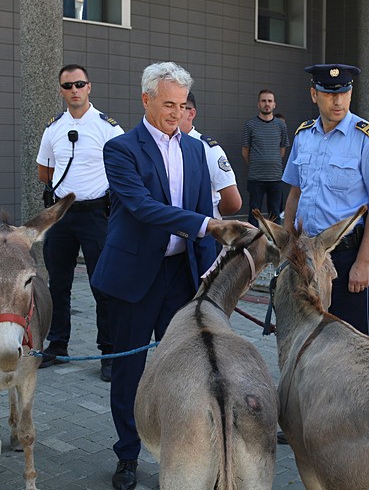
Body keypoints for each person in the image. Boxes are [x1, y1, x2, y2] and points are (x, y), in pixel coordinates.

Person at [90, 62, 254, 490]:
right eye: (168, 104)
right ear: (145, 99)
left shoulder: (197, 150)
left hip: (182, 278)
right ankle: (127, 455)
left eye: (182, 105)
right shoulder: (121, 149)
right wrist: (211, 225)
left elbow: (202, 209)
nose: (176, 113)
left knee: (186, 369)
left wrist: (209, 275)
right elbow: (144, 209)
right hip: (134, 278)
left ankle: (184, 449)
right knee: (130, 370)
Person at [283, 63, 369, 335]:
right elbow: (295, 193)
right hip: (305, 254)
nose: (338, 100)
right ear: (314, 95)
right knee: (304, 334)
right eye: (330, 94)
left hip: (344, 257)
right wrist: (287, 245)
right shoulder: (303, 135)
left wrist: (364, 263)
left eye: (344, 93)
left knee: (348, 340)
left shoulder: (367, 137)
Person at [36, 64, 124, 382]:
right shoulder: (54, 128)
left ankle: (109, 353)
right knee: (57, 285)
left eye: (79, 84)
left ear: (90, 87)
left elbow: (125, 170)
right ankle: (57, 346)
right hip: (61, 215)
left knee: (102, 285)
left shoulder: (107, 128)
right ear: (61, 91)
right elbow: (44, 171)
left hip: (96, 216)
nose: (74, 90)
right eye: (67, 85)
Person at [179, 91, 242, 220]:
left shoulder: (207, 148)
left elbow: (233, 202)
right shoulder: (164, 146)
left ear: (191, 113)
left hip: (204, 230)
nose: (172, 113)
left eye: (180, 107)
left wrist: (211, 214)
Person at [242, 89, 289, 227]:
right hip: (256, 178)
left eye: (269, 101)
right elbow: (245, 151)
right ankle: (253, 243)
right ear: (258, 104)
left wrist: (271, 162)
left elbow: (282, 149)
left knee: (275, 213)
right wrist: (256, 165)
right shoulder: (250, 125)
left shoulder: (281, 125)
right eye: (263, 101)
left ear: (274, 104)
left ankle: (274, 244)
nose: (266, 104)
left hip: (275, 177)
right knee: (254, 213)